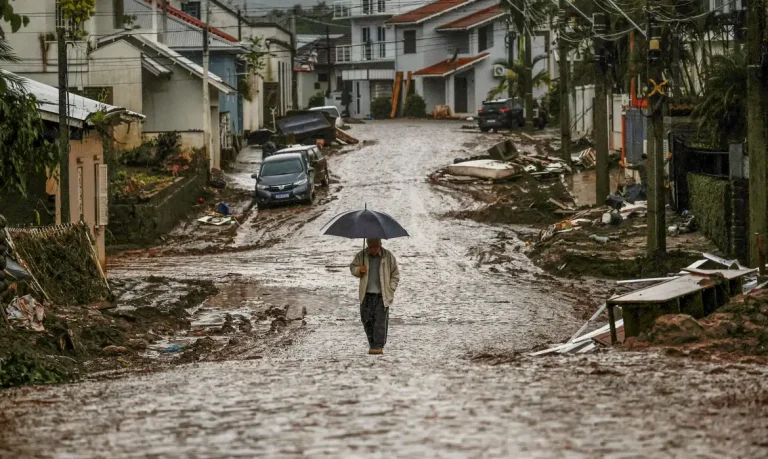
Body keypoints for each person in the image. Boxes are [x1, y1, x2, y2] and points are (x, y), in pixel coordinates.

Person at [349, 238, 400, 355]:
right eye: (370, 247)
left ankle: (378, 345)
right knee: (366, 319)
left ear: (380, 245)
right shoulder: (362, 255)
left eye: (375, 247)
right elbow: (352, 267)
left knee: (380, 321)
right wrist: (359, 270)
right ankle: (372, 343)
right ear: (367, 245)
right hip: (366, 294)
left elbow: (395, 274)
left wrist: (390, 289)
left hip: (382, 295)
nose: (372, 249)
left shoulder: (388, 256)